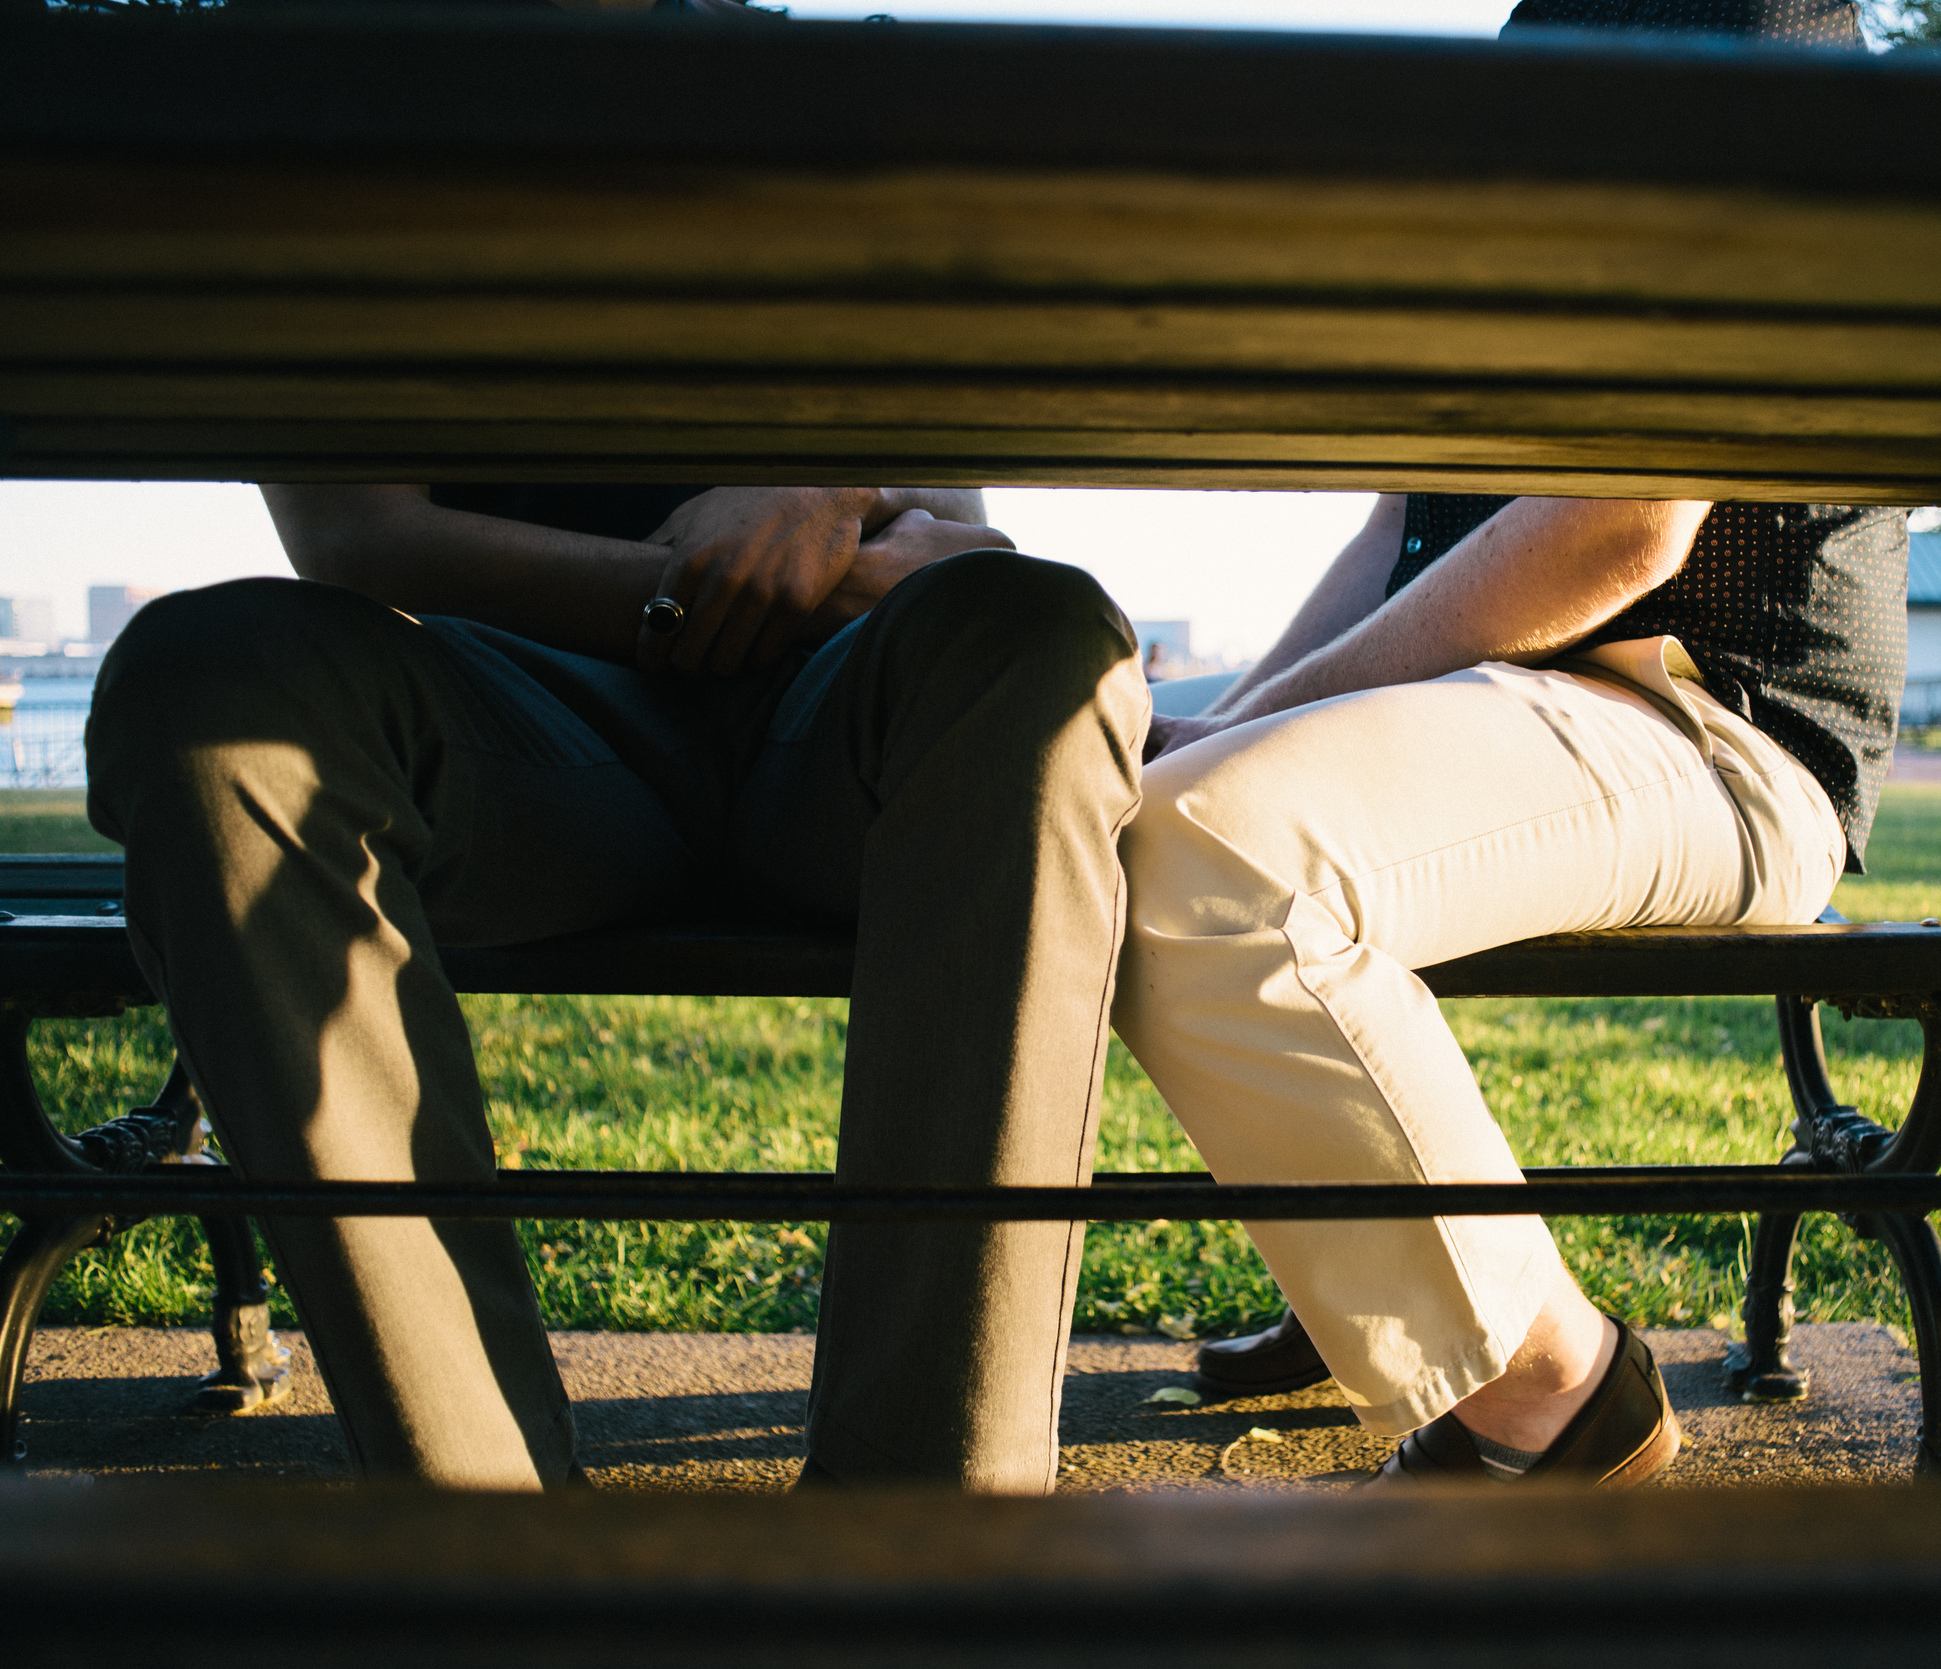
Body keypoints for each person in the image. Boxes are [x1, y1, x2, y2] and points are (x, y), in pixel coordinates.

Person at [1112, 0, 1902, 1487]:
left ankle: (1557, 1390)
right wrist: (1220, 719)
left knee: (1211, 855)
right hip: (1554, 697)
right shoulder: (1556, 32)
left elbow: (1623, 525)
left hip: (1722, 719)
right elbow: (1406, 532)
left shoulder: (1754, 25)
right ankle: (1383, 1285)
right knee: (1161, 805)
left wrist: (1235, 739)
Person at [86, 479, 1147, 1492]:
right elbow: (350, 533)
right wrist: (697, 586)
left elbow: (956, 527)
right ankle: (490, 1544)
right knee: (203, 680)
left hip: (847, 708)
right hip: (508, 715)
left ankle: (923, 1544)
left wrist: (817, 497)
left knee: (1038, 633)